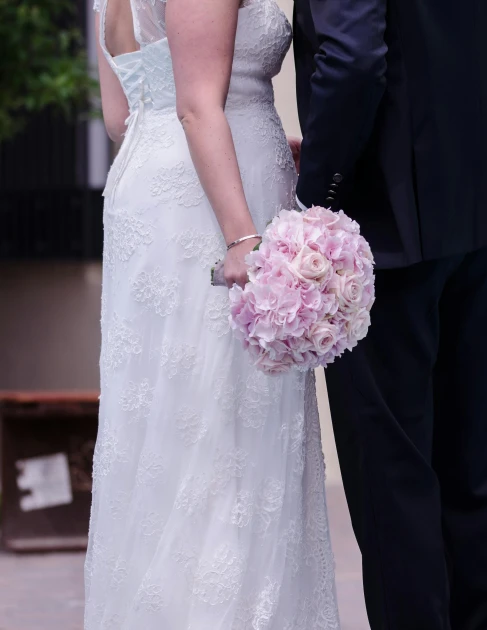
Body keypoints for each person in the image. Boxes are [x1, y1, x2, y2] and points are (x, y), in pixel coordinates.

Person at [293, 0, 487, 628]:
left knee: (392, 470)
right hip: (480, 214)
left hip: (379, 227)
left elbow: (354, 57)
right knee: (472, 456)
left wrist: (318, 201)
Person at [84, 0, 340, 627]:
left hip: (155, 190)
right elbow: (199, 105)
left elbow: (123, 116)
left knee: (171, 426)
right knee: (224, 429)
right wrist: (242, 237)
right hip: (212, 212)